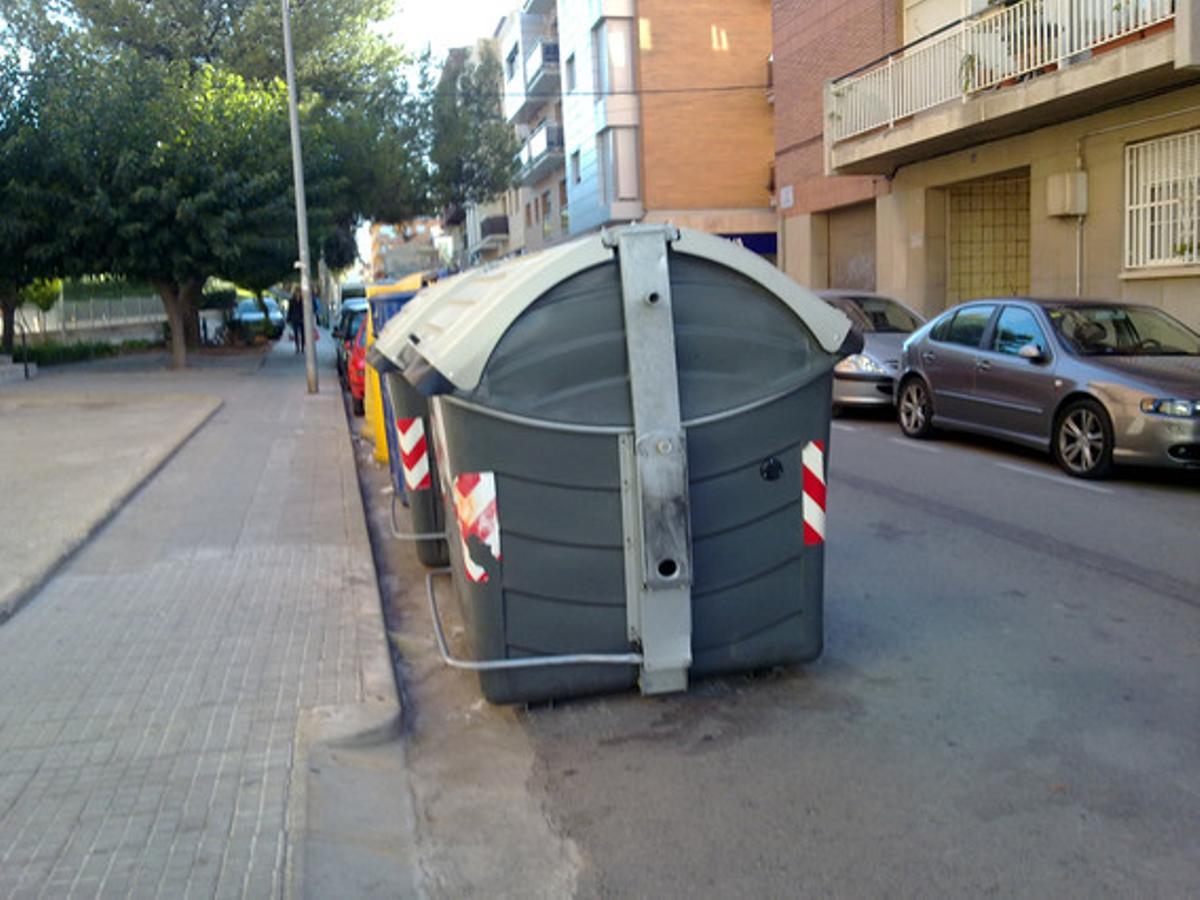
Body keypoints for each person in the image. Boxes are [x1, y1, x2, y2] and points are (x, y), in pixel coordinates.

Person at [287, 287, 305, 353]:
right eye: (297, 292)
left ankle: (302, 347)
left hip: (302, 318)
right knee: (296, 333)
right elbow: (290, 310)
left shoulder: (304, 300)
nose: (298, 293)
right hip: (294, 318)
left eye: (299, 292)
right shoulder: (292, 300)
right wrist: (288, 318)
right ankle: (297, 347)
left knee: (303, 333)